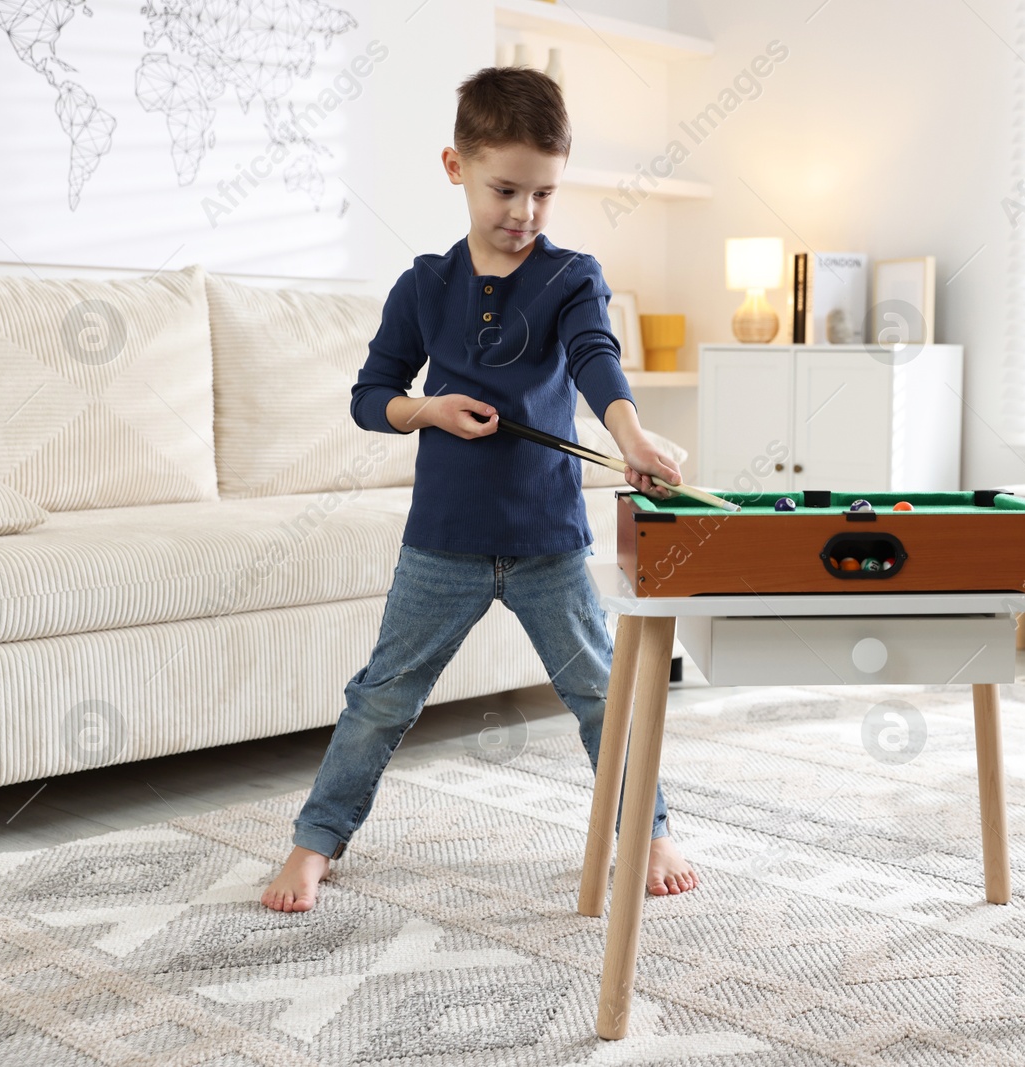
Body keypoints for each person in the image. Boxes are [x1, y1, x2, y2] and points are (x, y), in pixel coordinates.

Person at [262, 66, 699, 912]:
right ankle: (317, 843)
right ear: (455, 166)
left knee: (600, 695)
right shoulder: (425, 285)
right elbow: (368, 397)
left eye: (544, 194)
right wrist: (426, 409)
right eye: (506, 188)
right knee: (382, 698)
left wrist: (630, 432)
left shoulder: (573, 275)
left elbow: (594, 356)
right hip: (443, 543)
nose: (525, 213)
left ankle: (649, 831)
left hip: (548, 539)